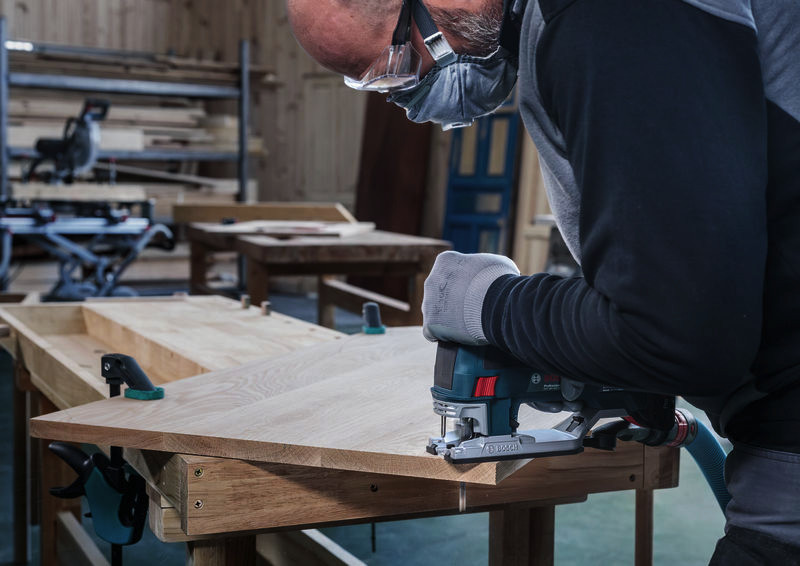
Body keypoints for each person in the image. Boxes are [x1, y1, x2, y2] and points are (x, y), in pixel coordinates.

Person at [287, 0, 800, 562]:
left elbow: (680, 332)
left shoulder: (609, 19)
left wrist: (485, 302)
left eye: (397, 68)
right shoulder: (564, 27)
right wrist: (613, 356)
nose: (407, 102)